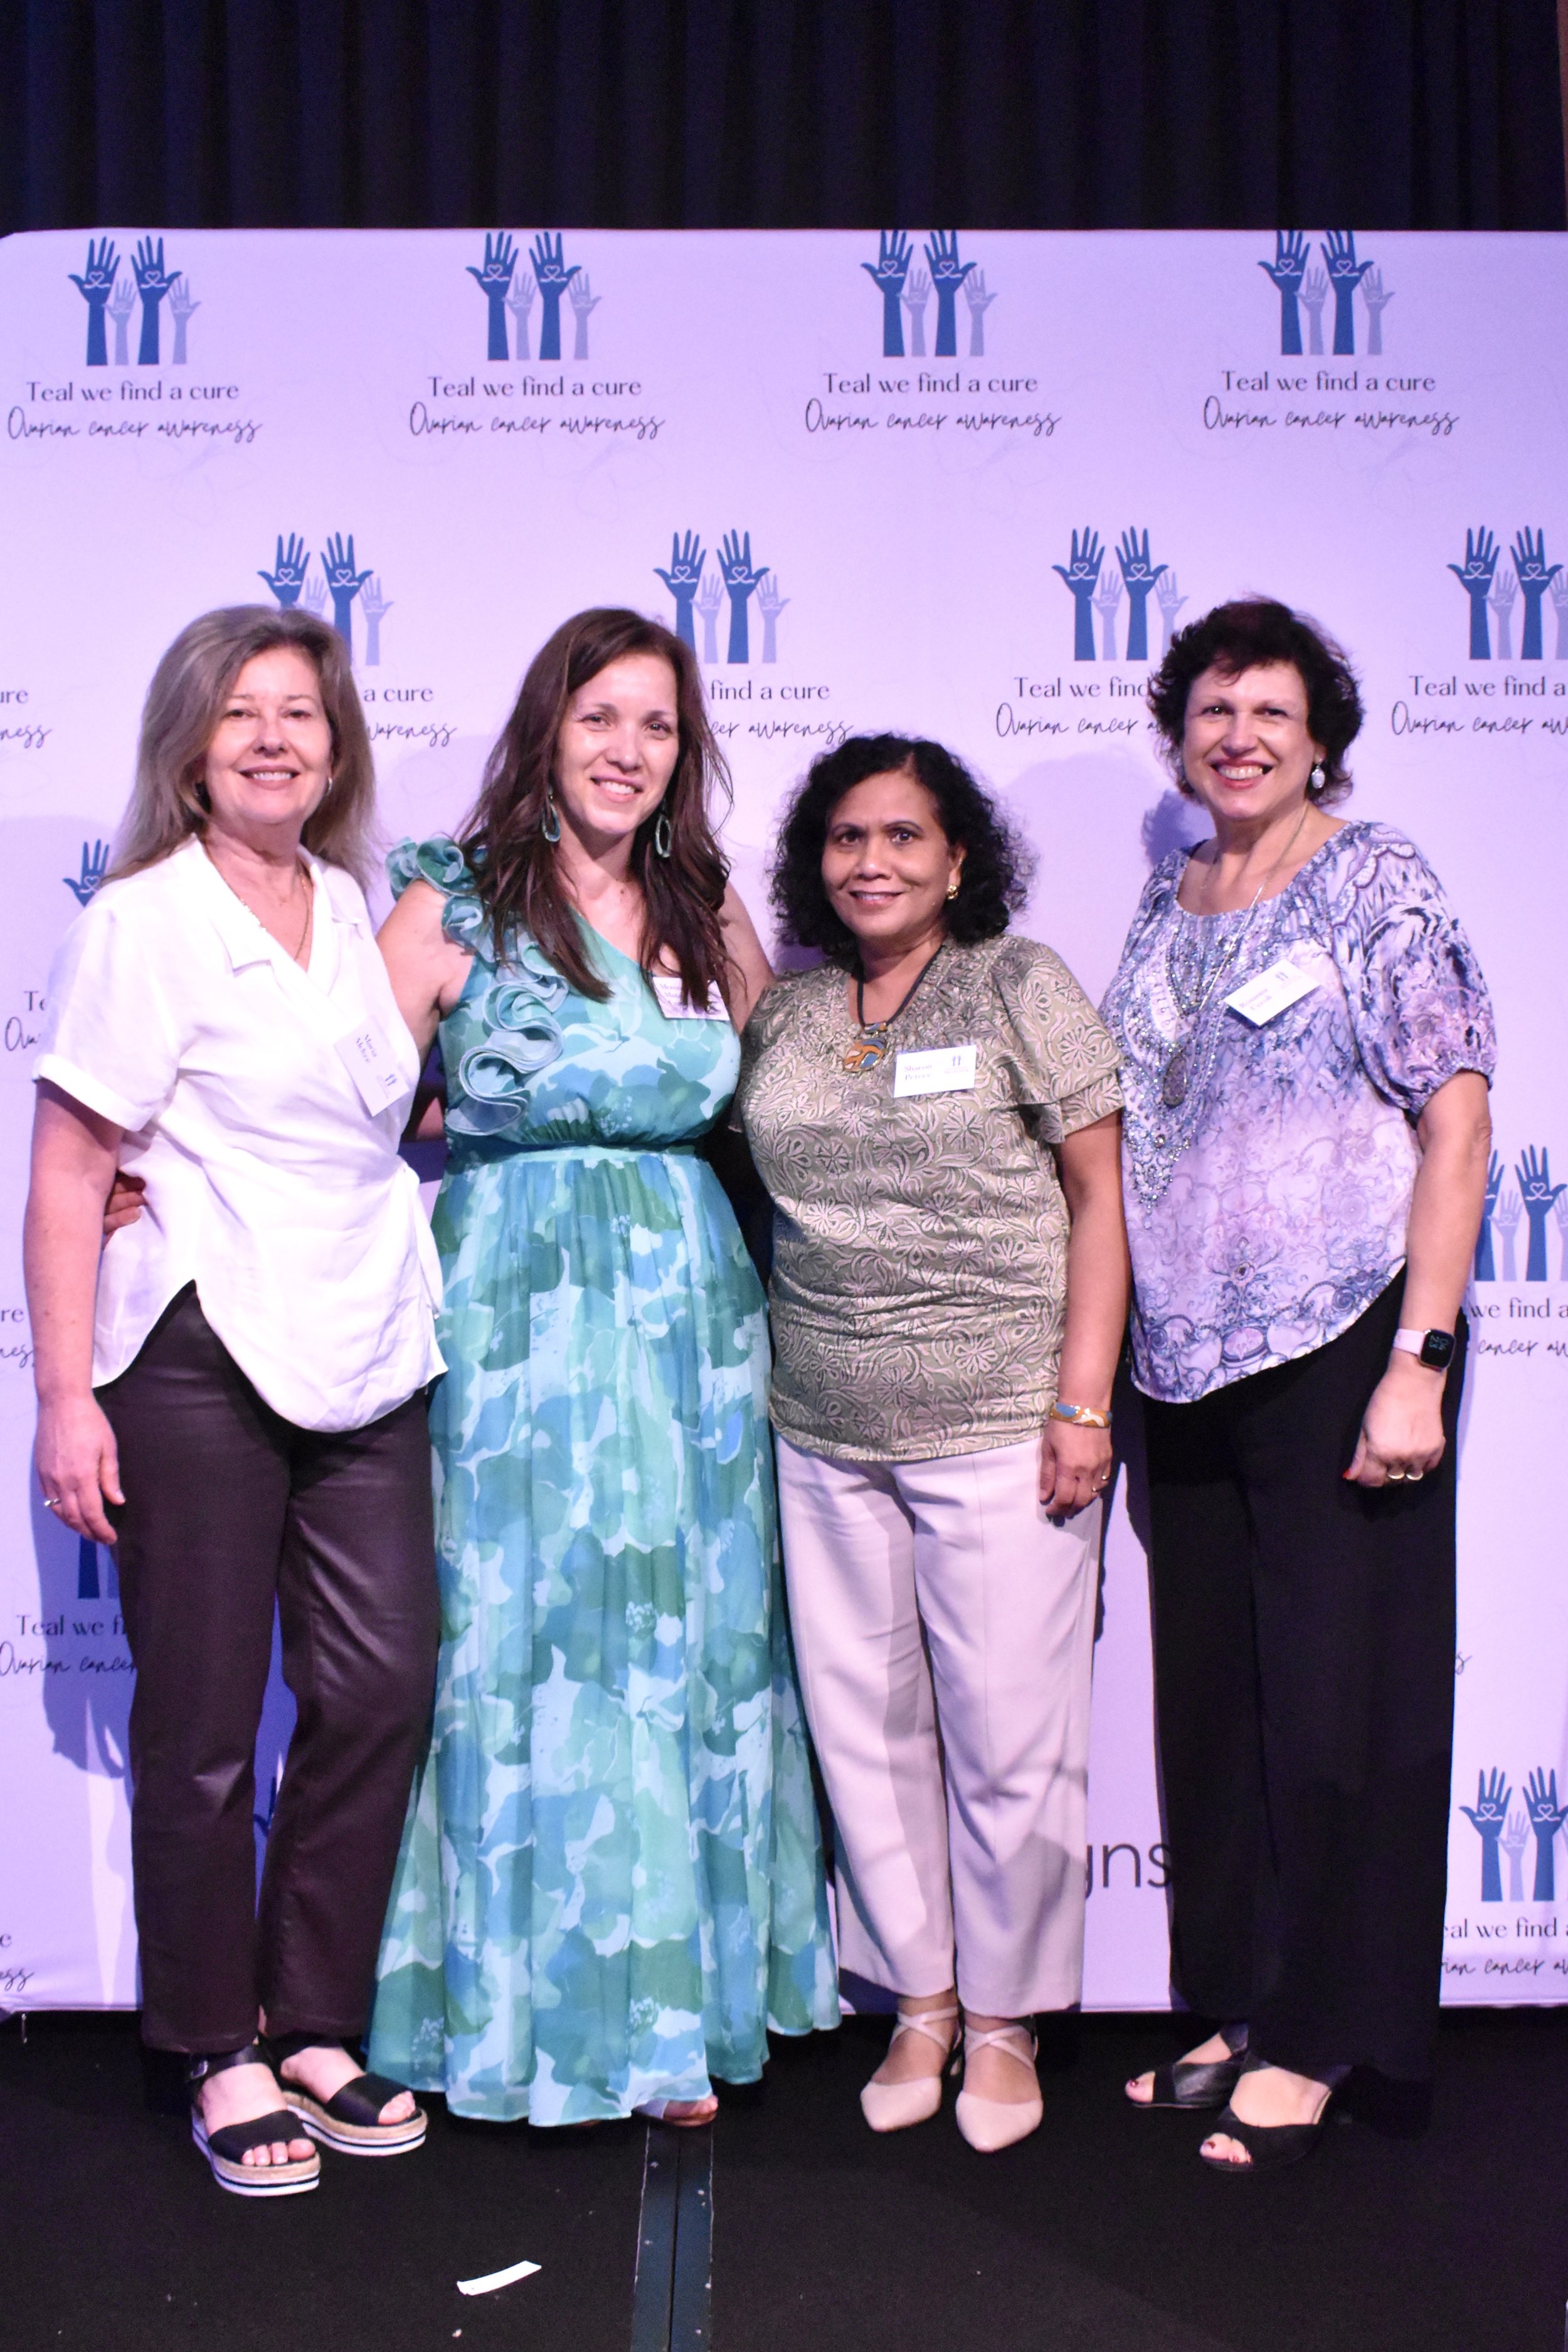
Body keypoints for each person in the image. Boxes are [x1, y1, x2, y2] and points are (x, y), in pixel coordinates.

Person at [366, 607, 837, 2127]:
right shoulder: (452, 903)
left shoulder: (706, 912)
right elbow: (334, 1108)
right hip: (510, 1321)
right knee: (519, 1641)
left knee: (686, 1645)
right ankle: (526, 2018)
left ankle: (676, 2016)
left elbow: (800, 1115)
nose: (628, 751)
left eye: (658, 726)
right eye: (600, 718)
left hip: (693, 1321)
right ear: (545, 729)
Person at [24, 607, 444, 2196]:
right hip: (196, 1350)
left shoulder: (348, 906)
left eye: (303, 715)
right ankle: (216, 2046)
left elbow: (371, 1115)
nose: (276, 737)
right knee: (200, 1732)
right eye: (242, 714)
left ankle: (315, 2014)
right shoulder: (140, 921)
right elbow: (71, 1173)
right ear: (190, 745)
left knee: (381, 1683)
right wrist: (67, 1397)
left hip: (364, 1337)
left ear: (337, 749)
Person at [1101, 598, 1495, 2173]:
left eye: (1268, 709)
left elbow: (1454, 1118)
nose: (1238, 734)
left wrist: (1421, 1359)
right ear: (1179, 734)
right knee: (1212, 1714)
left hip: (1340, 1341)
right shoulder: (1164, 895)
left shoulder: (1372, 874)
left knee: (1341, 1710)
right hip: (1180, 1368)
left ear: (1316, 731)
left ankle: (1327, 2034)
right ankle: (1230, 2007)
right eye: (1211, 709)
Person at [733, 734, 1128, 2154]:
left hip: (999, 1425)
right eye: (846, 839)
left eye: (903, 836)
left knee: (1011, 1741)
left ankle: (1010, 2023)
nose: (872, 862)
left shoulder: (1017, 984)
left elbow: (1099, 1197)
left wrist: (1081, 1403)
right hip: (822, 1426)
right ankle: (922, 1996)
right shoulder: (781, 1013)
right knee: (864, 1731)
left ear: (958, 858)